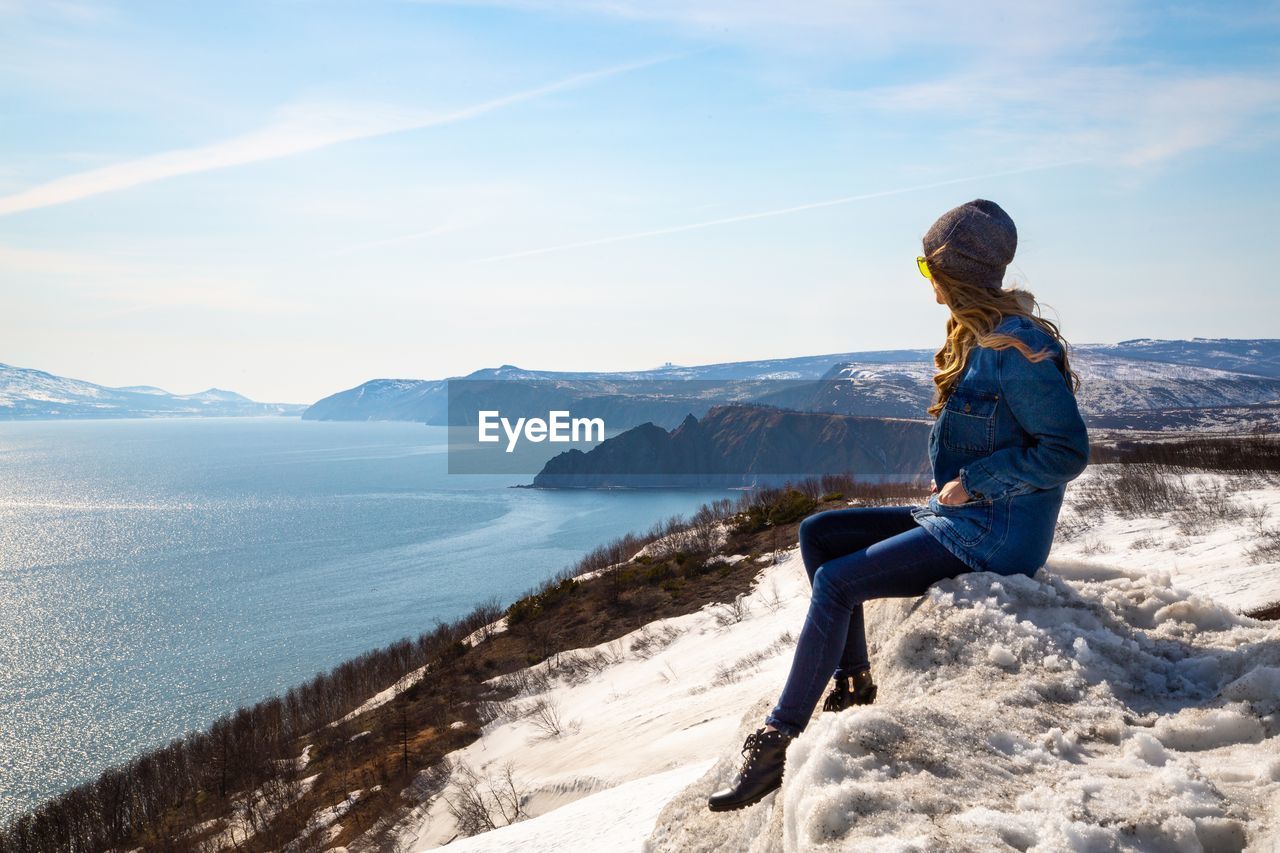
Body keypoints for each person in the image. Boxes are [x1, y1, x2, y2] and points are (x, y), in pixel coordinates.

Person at [707, 198, 1090, 812]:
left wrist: (980, 481)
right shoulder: (977, 336)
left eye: (926, 267)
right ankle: (853, 681)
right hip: (963, 518)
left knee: (837, 582)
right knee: (820, 533)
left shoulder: (1016, 349)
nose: (926, 281)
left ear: (954, 271)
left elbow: (1067, 451)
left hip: (995, 533)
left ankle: (780, 738)